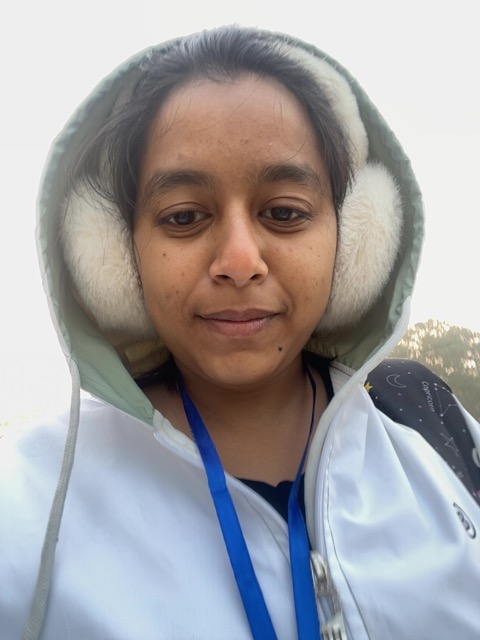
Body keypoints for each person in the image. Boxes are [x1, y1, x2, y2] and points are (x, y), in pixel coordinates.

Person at [1, 25, 479, 640]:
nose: (239, 260)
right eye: (183, 216)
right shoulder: (28, 507)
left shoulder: (432, 427)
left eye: (284, 212)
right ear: (117, 254)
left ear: (355, 237)